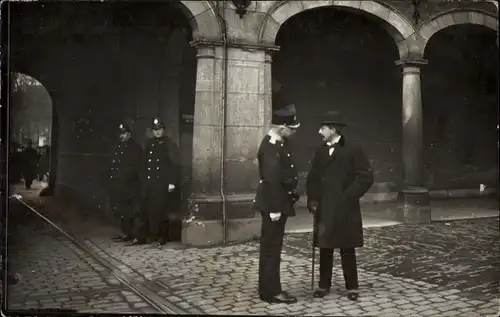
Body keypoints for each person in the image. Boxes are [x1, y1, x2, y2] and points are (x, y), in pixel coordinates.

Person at [306, 110, 373, 301]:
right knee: (325, 247)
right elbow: (312, 179)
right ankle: (323, 285)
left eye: (323, 128)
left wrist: (348, 196)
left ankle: (352, 287)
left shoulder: (352, 149)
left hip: (345, 207)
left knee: (346, 247)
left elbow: (366, 177)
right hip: (325, 207)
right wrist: (312, 199)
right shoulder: (320, 151)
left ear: (333, 129)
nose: (320, 131)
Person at [254, 104, 301, 304]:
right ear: (282, 127)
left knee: (270, 247)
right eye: (292, 128)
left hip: (277, 201)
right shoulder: (272, 146)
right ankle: (272, 291)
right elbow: (272, 178)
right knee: (272, 248)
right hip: (274, 204)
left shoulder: (276, 144)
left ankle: (267, 288)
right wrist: (274, 208)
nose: (294, 132)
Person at [127, 117, 179, 247]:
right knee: (144, 210)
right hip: (149, 183)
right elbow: (144, 164)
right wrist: (143, 181)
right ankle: (142, 237)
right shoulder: (149, 144)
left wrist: (171, 183)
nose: (157, 132)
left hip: (161, 183)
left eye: (159, 129)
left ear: (163, 130)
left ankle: (163, 236)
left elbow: (173, 165)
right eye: (155, 130)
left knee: (161, 210)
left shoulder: (169, 144)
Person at [108, 123, 143, 243]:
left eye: (125, 133)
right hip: (119, 184)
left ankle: (131, 233)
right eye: (121, 134)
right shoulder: (119, 147)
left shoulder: (135, 148)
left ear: (129, 134)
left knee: (130, 209)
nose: (122, 136)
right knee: (121, 208)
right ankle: (124, 232)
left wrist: (125, 177)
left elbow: (135, 167)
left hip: (130, 185)